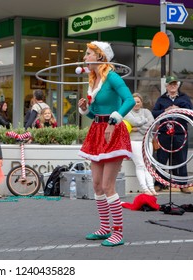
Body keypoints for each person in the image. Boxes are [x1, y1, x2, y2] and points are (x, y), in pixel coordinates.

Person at [78, 41, 135, 247]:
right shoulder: (93, 81)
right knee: (96, 184)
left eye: (88, 54)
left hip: (113, 132)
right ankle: (104, 228)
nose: (84, 57)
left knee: (107, 185)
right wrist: (85, 109)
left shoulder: (112, 77)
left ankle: (117, 232)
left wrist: (115, 119)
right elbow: (95, 113)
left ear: (100, 56)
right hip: (97, 130)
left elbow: (129, 100)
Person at [152, 76, 193, 194]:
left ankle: (183, 185)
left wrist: (178, 109)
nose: (172, 86)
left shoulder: (184, 98)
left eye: (174, 84)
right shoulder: (161, 99)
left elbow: (190, 114)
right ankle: (159, 183)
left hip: (180, 133)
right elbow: (154, 113)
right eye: (170, 84)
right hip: (164, 132)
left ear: (178, 85)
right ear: (166, 86)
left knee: (181, 159)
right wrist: (165, 111)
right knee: (161, 158)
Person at [124, 93, 156, 195]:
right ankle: (145, 188)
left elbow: (152, 124)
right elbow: (134, 122)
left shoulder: (146, 112)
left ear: (142, 103)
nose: (136, 104)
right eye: (134, 102)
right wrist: (143, 123)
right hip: (134, 142)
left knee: (148, 165)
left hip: (147, 141)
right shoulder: (127, 113)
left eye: (138, 101)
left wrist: (137, 129)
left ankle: (152, 188)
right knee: (140, 164)